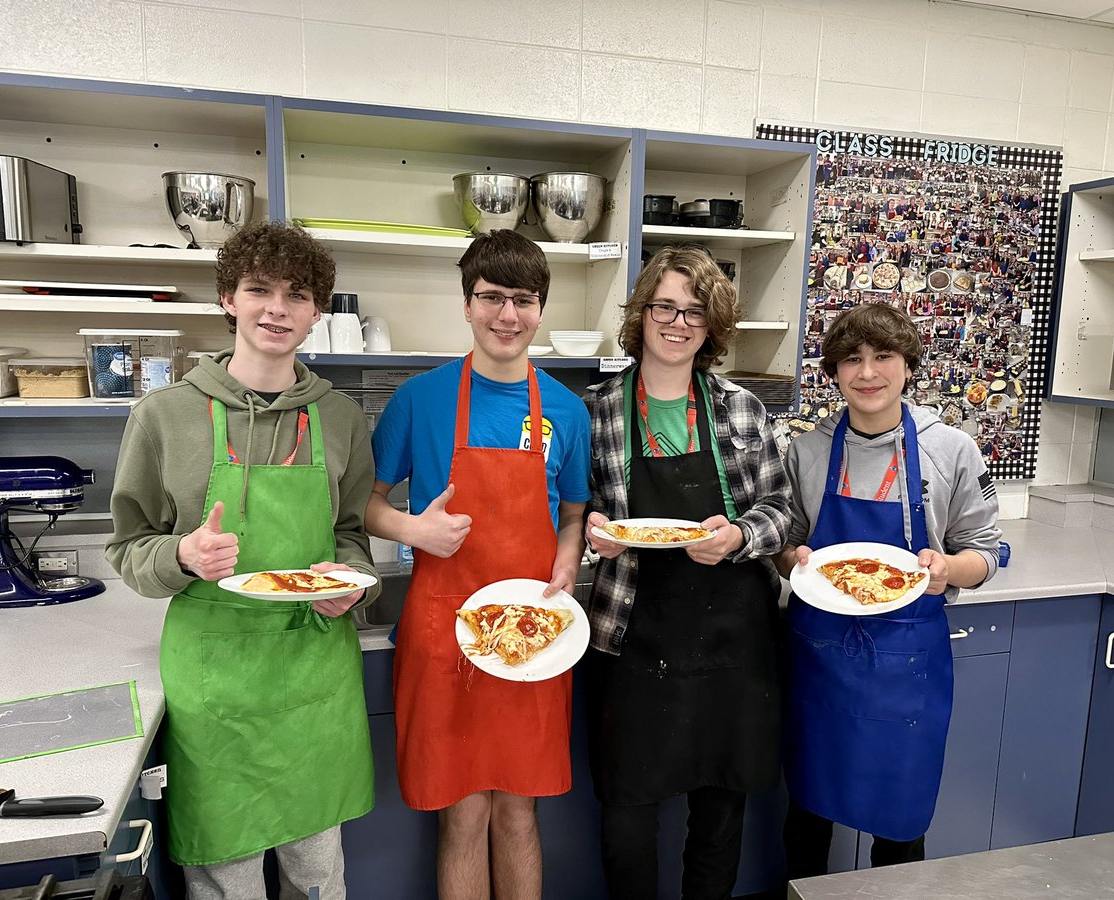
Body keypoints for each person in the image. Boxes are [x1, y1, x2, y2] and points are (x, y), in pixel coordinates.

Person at [106, 221, 380, 900]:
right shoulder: (164, 416)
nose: (277, 308)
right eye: (259, 289)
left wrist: (350, 586)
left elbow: (351, 536)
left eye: (298, 294)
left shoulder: (341, 418)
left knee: (317, 877)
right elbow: (127, 545)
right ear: (229, 297)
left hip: (315, 671)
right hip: (217, 682)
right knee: (226, 881)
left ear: (319, 311)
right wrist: (181, 554)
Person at [364, 229, 590, 899]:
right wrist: (414, 529)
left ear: (541, 309)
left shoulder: (567, 413)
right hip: (446, 636)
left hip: (534, 640)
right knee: (463, 815)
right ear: (466, 305)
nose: (507, 316)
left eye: (523, 300)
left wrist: (567, 564)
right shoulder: (419, 400)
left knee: (520, 811)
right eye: (491, 297)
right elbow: (366, 506)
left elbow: (574, 514)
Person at [585, 246, 791, 900]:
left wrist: (738, 535)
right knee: (625, 814)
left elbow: (785, 512)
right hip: (632, 638)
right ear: (641, 314)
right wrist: (595, 539)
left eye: (694, 313)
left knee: (719, 813)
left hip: (732, 642)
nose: (677, 323)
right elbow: (570, 515)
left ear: (712, 328)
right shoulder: (595, 412)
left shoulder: (741, 409)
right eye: (665, 307)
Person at [773, 302, 1002, 877]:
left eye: (883, 357)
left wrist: (949, 568)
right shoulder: (808, 450)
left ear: (908, 366)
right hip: (818, 661)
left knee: (900, 826)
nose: (868, 373)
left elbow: (989, 549)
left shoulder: (949, 448)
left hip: (907, 672)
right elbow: (788, 543)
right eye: (851, 359)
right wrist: (790, 558)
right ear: (833, 373)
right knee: (807, 814)